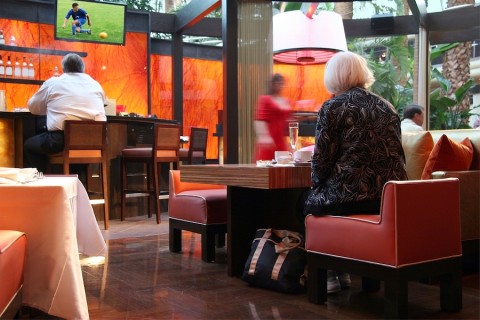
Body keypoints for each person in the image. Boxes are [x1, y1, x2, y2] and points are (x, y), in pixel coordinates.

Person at [303, 52, 408, 294]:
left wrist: (316, 185)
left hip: (349, 196)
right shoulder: (387, 106)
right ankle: (351, 273)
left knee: (304, 203)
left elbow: (321, 162)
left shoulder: (332, 107)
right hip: (386, 199)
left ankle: (330, 271)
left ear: (333, 77)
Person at [24, 53, 107, 172]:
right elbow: (103, 103)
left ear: (63, 68)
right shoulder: (96, 84)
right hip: (97, 139)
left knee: (29, 146)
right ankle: (79, 184)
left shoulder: (53, 83)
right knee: (78, 151)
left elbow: (33, 107)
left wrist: (51, 107)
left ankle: (44, 185)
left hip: (60, 139)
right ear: (83, 69)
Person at [254, 73, 292, 161]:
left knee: (284, 164)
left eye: (282, 83)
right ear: (272, 84)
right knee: (267, 164)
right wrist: (264, 136)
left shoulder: (286, 100)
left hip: (281, 138)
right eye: (278, 83)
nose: (280, 86)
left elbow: (288, 120)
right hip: (269, 138)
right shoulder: (265, 99)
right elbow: (260, 119)